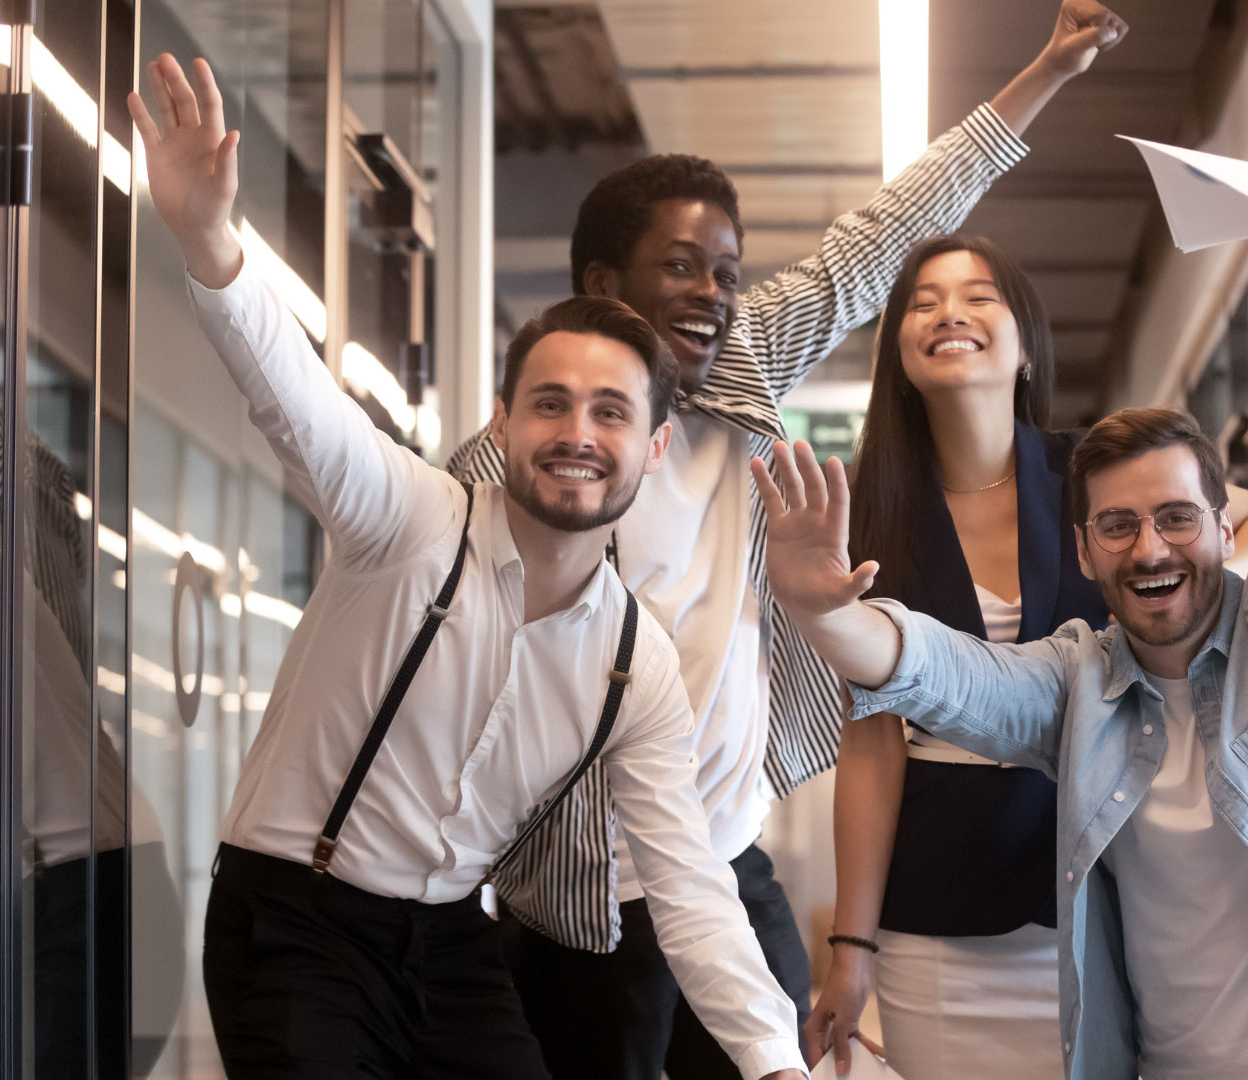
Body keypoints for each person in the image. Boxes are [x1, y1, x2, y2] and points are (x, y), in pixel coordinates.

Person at [439, 4, 1131, 1077]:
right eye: (682, 269)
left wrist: (1043, 72)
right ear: (602, 286)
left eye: (725, 271)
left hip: (725, 864)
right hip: (584, 901)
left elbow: (887, 235)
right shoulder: (511, 457)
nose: (713, 297)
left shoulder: (742, 367)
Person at [127, 54, 806, 1080]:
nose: (578, 434)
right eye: (551, 404)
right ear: (504, 421)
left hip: (451, 943)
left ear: (655, 449)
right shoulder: (407, 519)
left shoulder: (636, 663)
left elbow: (692, 889)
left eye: (612, 413)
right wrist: (208, 237)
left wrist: (777, 1064)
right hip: (297, 927)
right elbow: (292, 399)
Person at [758, 126, 1248, 1080]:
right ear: (1083, 550)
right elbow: (936, 672)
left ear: (1224, 522)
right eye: (1119, 529)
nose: (1151, 547)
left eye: (1178, 519)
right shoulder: (1077, 686)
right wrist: (820, 612)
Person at [802, 233, 1248, 1077]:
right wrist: (851, 948)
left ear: (1026, 343)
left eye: (977, 296)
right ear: (900, 352)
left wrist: (1196, 587)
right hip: (941, 919)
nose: (948, 314)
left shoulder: (1095, 474)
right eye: (922, 303)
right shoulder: (872, 511)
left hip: (1112, 892)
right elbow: (872, 741)